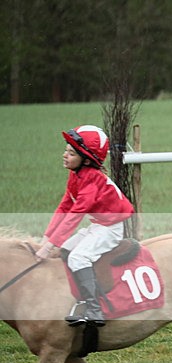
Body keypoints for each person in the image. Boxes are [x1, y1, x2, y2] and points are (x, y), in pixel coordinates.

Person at [35, 125, 135, 327]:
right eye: (66, 150)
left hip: (110, 229)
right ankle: (81, 298)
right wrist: (47, 238)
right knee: (66, 250)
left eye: (71, 153)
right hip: (99, 225)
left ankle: (95, 309)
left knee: (79, 257)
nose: (65, 155)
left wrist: (48, 247)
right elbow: (64, 206)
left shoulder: (91, 182)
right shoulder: (76, 175)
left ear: (87, 160)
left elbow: (74, 216)